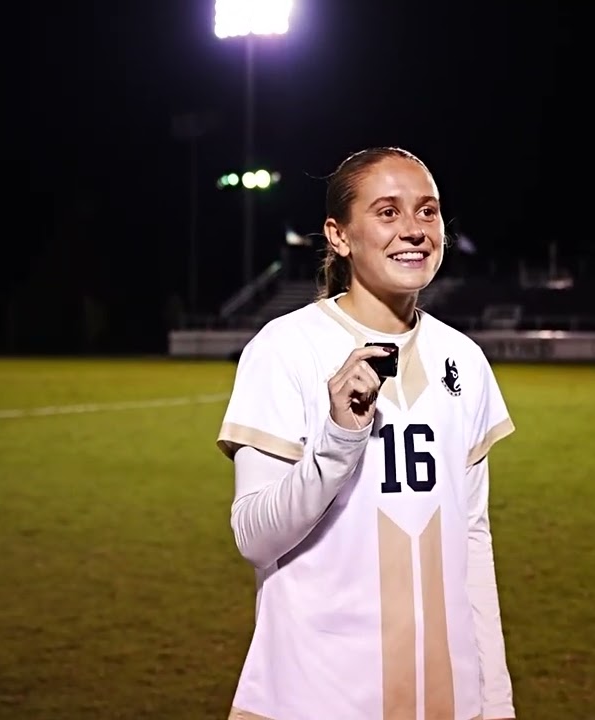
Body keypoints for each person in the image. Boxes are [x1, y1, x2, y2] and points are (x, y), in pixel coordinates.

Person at [216, 147, 517, 720]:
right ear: (339, 235)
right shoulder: (285, 348)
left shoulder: (466, 359)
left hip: (446, 700)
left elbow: (473, 543)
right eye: (388, 211)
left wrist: (496, 701)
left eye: (427, 211)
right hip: (315, 695)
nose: (414, 229)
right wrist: (336, 441)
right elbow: (254, 537)